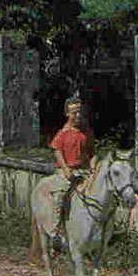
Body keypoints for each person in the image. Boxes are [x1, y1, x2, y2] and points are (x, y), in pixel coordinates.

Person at [48, 97, 96, 239]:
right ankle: (55, 230)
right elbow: (57, 151)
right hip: (67, 170)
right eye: (74, 113)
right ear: (67, 114)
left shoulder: (86, 133)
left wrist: (92, 168)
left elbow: (92, 153)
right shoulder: (63, 133)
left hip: (83, 169)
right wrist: (65, 169)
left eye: (79, 112)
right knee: (60, 195)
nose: (78, 116)